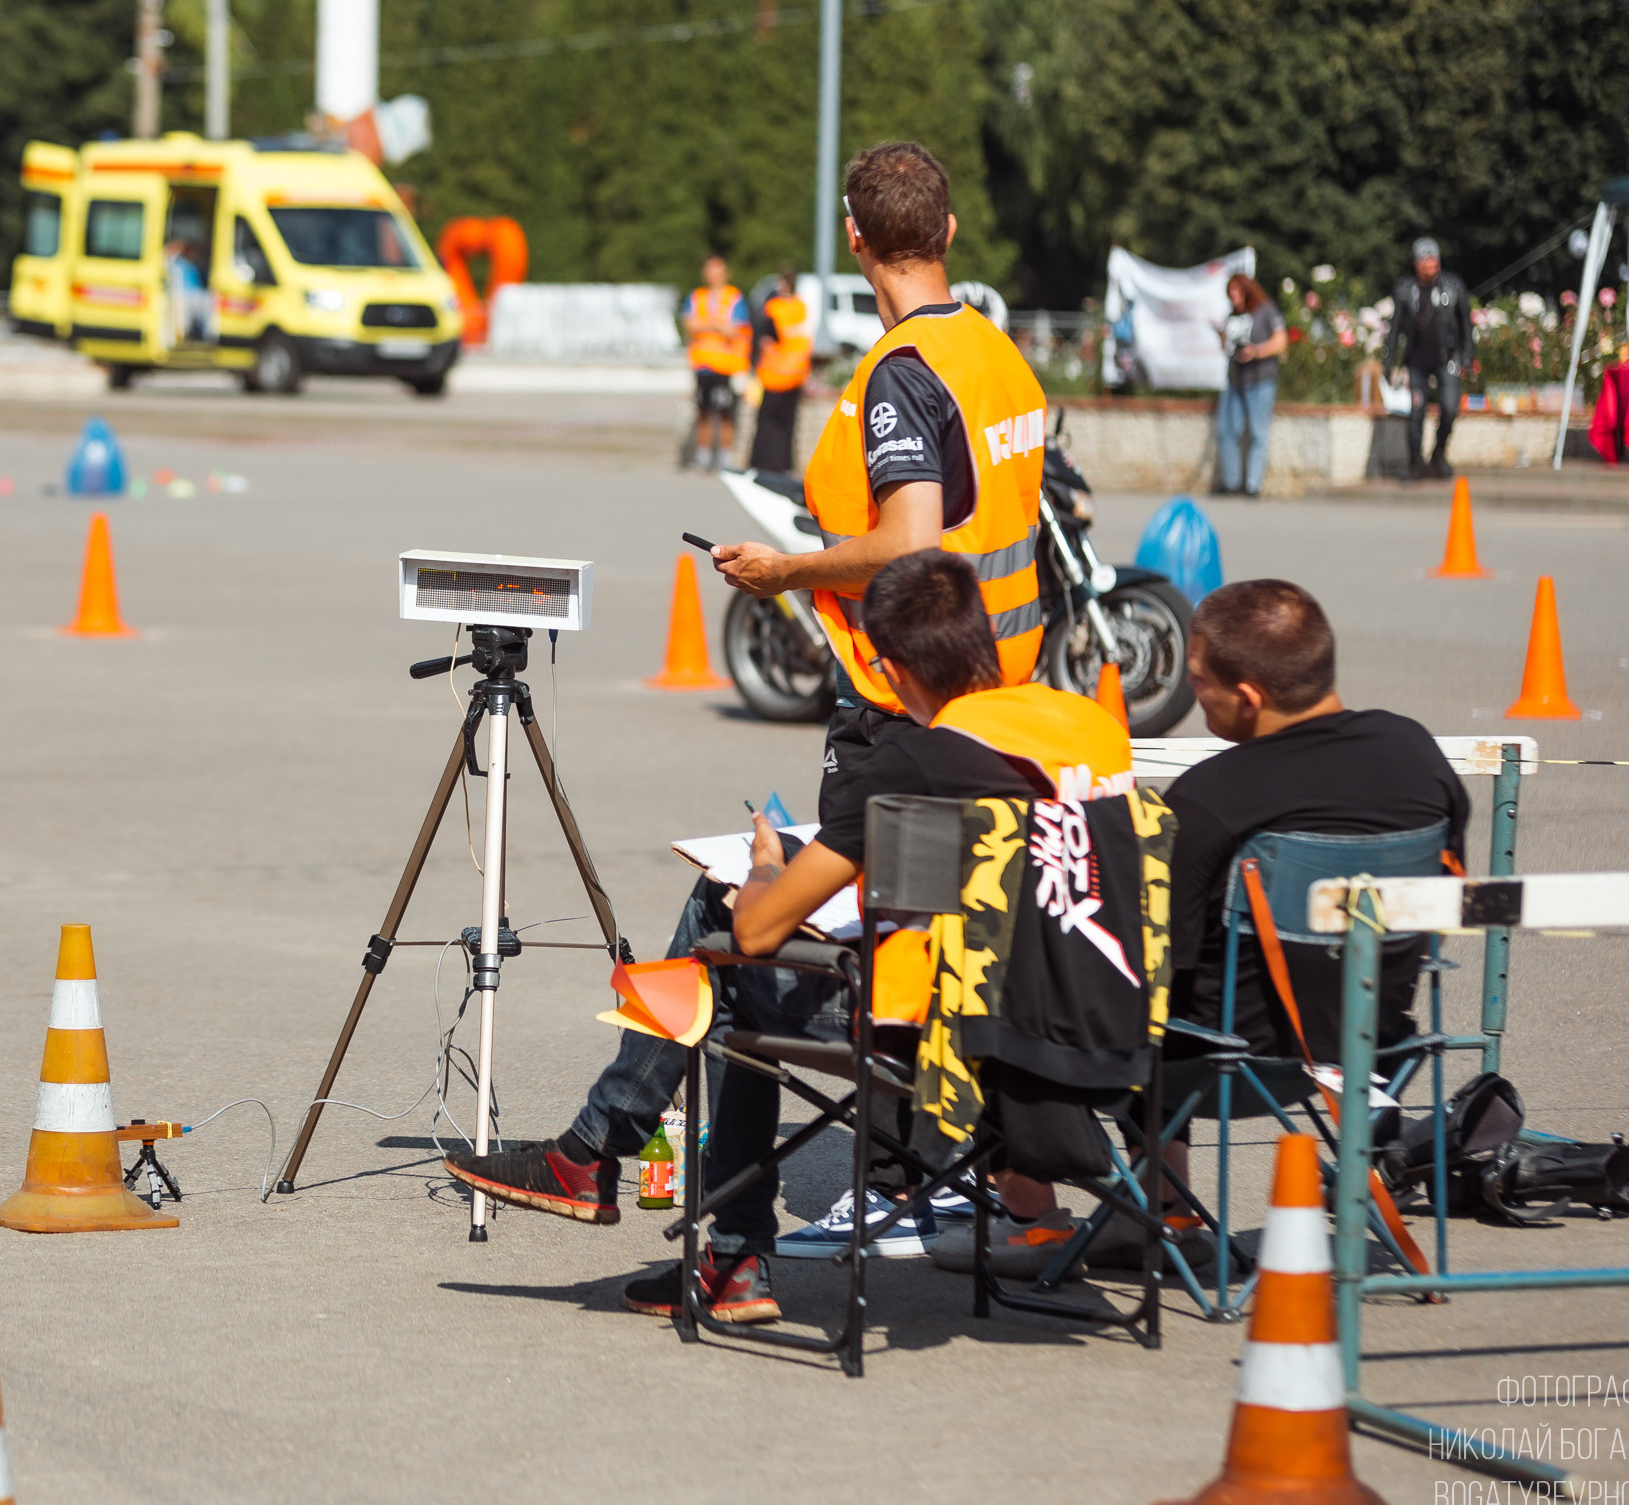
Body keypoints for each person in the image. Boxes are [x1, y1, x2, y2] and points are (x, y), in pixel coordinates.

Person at [444, 550, 1130, 1321]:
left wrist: (767, 866)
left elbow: (759, 925)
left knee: (722, 932)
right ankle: (643, 1193)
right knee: (738, 965)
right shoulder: (1092, 728)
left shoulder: (916, 758)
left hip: (953, 1034)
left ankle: (624, 1174)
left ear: (892, 666)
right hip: (1098, 1020)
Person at [708, 140, 1049, 915]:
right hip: (1004, 676)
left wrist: (784, 573)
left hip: (913, 693)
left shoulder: (904, 371)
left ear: (855, 237)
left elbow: (910, 543)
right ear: (950, 230)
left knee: (875, 923)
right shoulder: (996, 352)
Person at [1166, 579, 1469, 1068]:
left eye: (1199, 678)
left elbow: (1161, 962)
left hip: (1228, 1057)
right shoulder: (1417, 754)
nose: (1190, 687)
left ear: (1248, 698)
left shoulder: (1206, 797)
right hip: (1378, 1043)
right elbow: (1442, 909)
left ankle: (1160, 1148)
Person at [1382, 238, 1473, 479]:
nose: (1431, 263)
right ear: (1416, 263)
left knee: (1450, 408)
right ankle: (1415, 462)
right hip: (1417, 363)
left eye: (1434, 258)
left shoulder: (1452, 287)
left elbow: (1466, 324)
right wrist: (1389, 362)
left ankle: (1439, 454)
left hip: (1448, 360)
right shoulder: (1405, 291)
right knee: (1416, 413)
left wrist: (1466, 358)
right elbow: (1394, 330)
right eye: (1425, 259)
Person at [1214, 274, 1285, 496]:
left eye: (1237, 292)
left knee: (1258, 432)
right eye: (1230, 293)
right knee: (1226, 431)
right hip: (1235, 379)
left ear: (1247, 290)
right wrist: (1221, 335)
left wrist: (1256, 352)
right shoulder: (1233, 315)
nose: (1233, 297)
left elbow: (1281, 341)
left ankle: (1253, 486)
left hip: (1260, 379)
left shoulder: (1266, 310)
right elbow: (1227, 348)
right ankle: (1231, 483)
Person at [682, 256, 751, 470]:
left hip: (726, 366)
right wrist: (718, 326)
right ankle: (703, 457)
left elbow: (735, 330)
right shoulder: (696, 297)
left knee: (725, 413)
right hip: (703, 366)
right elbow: (690, 326)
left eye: (717, 271)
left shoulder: (734, 297)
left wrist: (707, 325)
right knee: (703, 412)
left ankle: (724, 458)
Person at [748, 271, 815, 472]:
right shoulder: (802, 307)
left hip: (774, 373)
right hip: (796, 372)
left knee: (767, 422)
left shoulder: (774, 308)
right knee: (788, 422)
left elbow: (764, 337)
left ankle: (763, 462)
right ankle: (784, 463)